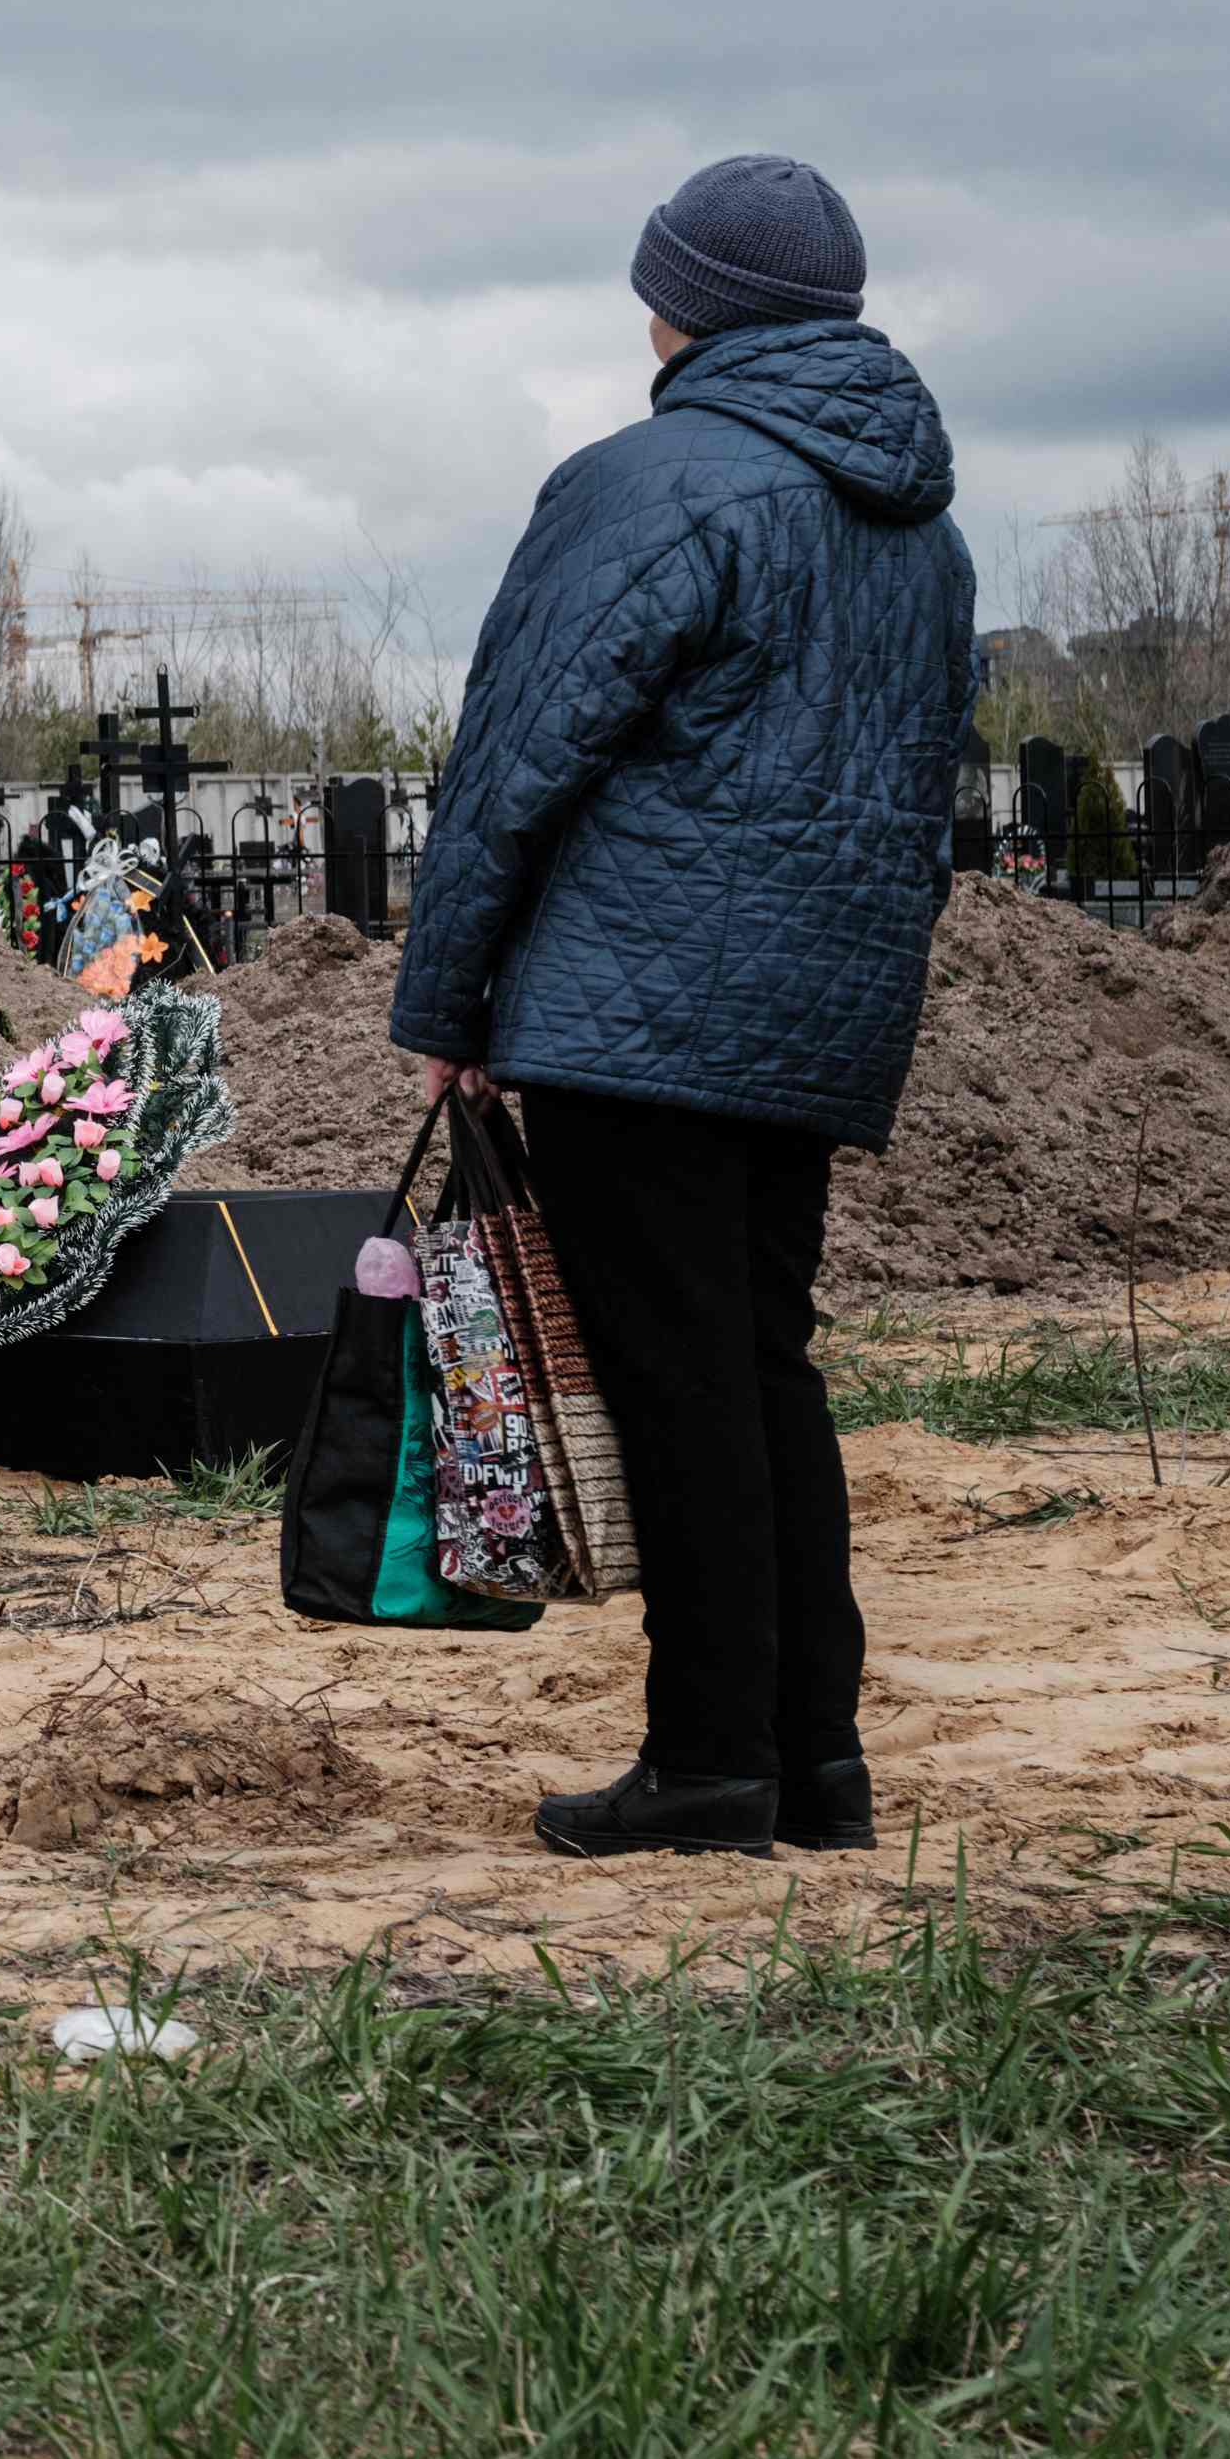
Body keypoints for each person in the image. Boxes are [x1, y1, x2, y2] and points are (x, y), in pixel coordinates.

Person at [394, 154, 977, 1863]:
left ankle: (710, 1757)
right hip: (814, 1014)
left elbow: (519, 754)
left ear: (684, 304)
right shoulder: (918, 525)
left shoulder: (646, 484)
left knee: (675, 1381)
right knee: (760, 1365)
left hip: (634, 1007)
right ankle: (815, 1761)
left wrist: (451, 993)